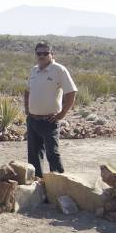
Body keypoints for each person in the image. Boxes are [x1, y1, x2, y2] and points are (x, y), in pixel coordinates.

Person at [24, 41, 78, 177]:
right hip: (33, 120)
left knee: (52, 154)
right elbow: (27, 91)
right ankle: (38, 186)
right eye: (39, 53)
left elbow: (71, 93)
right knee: (34, 155)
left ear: (51, 54)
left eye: (45, 53)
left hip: (50, 120)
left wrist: (62, 114)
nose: (42, 56)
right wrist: (27, 110)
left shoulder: (59, 70)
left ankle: (60, 186)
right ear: (35, 55)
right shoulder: (34, 70)